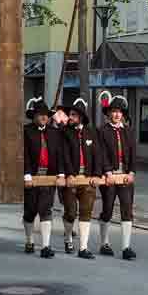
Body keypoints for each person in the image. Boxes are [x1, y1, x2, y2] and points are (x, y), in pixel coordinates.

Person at [96, 92, 137, 260]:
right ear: (108, 113)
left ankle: (126, 247)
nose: (117, 114)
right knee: (107, 209)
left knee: (127, 209)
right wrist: (107, 171)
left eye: (119, 111)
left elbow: (133, 153)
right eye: (113, 111)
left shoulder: (128, 131)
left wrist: (132, 172)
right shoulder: (102, 131)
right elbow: (101, 153)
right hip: (109, 176)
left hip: (125, 176)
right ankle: (104, 243)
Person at [22, 98, 64, 258]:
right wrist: (26, 175)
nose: (44, 117)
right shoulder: (26, 131)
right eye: (40, 115)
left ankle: (46, 246)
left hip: (48, 177)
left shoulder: (54, 133)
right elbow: (24, 154)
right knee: (30, 211)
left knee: (46, 210)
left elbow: (60, 154)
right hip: (31, 177)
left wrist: (60, 174)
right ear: (34, 116)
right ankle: (29, 241)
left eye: (46, 115)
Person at [61, 98, 99, 258]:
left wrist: (97, 174)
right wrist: (69, 174)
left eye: (74, 115)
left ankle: (83, 247)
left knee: (86, 212)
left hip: (88, 178)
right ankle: (68, 237)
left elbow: (98, 155)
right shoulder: (65, 133)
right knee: (70, 212)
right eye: (70, 114)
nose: (71, 117)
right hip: (72, 178)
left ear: (81, 117)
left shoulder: (91, 132)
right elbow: (64, 155)